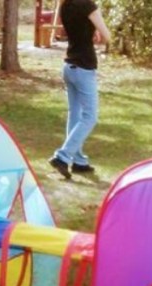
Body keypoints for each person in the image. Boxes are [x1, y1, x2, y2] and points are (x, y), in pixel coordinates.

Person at [48, 0, 111, 180]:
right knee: (90, 116)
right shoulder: (88, 5)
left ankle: (78, 161)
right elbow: (107, 36)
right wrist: (101, 30)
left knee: (75, 114)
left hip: (69, 67)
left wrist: (94, 30)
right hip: (84, 68)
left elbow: (81, 30)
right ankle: (62, 156)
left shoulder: (66, 4)